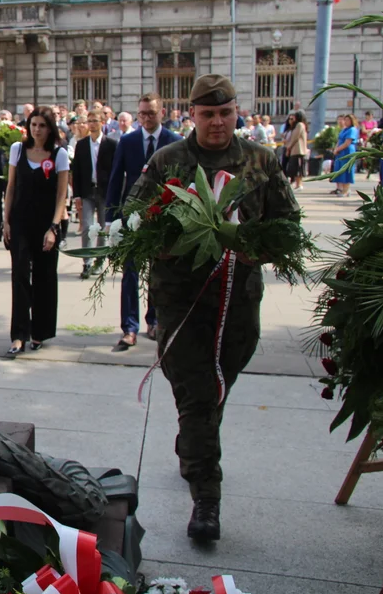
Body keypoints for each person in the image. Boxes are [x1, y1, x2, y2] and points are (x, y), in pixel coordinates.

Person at [126, 74, 300, 543]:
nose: (218, 122)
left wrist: (256, 250)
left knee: (217, 387)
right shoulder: (169, 161)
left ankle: (193, 443)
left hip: (238, 303)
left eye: (226, 113)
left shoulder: (260, 161)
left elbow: (288, 225)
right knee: (199, 394)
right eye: (208, 114)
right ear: (193, 115)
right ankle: (207, 499)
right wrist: (165, 243)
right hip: (181, 300)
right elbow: (134, 216)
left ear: (236, 111)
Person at [105, 91, 181, 351]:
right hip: (132, 216)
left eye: (151, 113)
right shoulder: (127, 142)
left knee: (160, 272)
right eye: (142, 114)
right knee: (130, 272)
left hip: (163, 217)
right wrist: (110, 218)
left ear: (162, 113)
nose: (146, 118)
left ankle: (155, 320)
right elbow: (116, 180)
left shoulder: (174, 142)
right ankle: (129, 327)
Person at [2, 107, 68, 356]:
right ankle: (18, 334)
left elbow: (61, 194)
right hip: (19, 221)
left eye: (42, 125)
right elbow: (11, 187)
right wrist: (6, 221)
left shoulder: (59, 154)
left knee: (44, 276)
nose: (37, 129)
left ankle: (39, 331)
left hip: (46, 223)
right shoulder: (17, 151)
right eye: (33, 125)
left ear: (50, 128)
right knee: (19, 275)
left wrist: (53, 227)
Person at [72, 109, 116, 279]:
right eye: (89, 121)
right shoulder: (82, 145)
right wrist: (76, 195)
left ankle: (99, 261)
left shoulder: (111, 144)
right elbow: (76, 171)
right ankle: (87, 262)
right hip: (87, 190)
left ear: (102, 123)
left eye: (95, 121)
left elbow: (115, 171)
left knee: (103, 228)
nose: (91, 124)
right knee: (88, 227)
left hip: (105, 191)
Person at [332, 113, 359, 197]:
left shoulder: (352, 129)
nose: (346, 121)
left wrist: (338, 149)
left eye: (348, 120)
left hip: (347, 151)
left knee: (346, 170)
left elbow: (347, 142)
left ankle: (346, 190)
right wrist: (336, 149)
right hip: (340, 152)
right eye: (345, 120)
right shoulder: (344, 129)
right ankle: (342, 189)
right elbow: (339, 140)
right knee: (339, 170)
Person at [284, 110, 307, 191]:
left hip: (299, 150)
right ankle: (297, 184)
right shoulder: (296, 126)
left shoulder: (300, 125)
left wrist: (289, 147)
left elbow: (295, 137)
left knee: (298, 168)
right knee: (295, 168)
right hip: (295, 150)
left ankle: (299, 184)